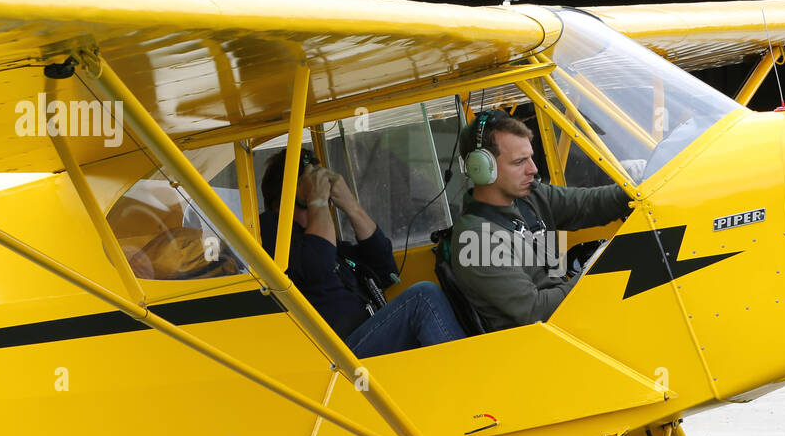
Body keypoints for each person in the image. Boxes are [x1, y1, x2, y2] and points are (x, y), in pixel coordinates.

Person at [259, 149, 466, 357]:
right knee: (423, 298)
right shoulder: (271, 229)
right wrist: (317, 202)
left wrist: (351, 206)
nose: (327, 200)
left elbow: (386, 271)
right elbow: (318, 269)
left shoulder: (332, 247)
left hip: (363, 339)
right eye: (316, 186)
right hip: (337, 359)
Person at [449, 109, 631, 331]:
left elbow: (591, 204)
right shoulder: (476, 240)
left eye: (531, 158)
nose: (533, 169)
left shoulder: (530, 197)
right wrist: (592, 273)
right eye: (519, 162)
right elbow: (535, 312)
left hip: (570, 320)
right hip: (539, 345)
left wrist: (637, 188)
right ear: (481, 169)